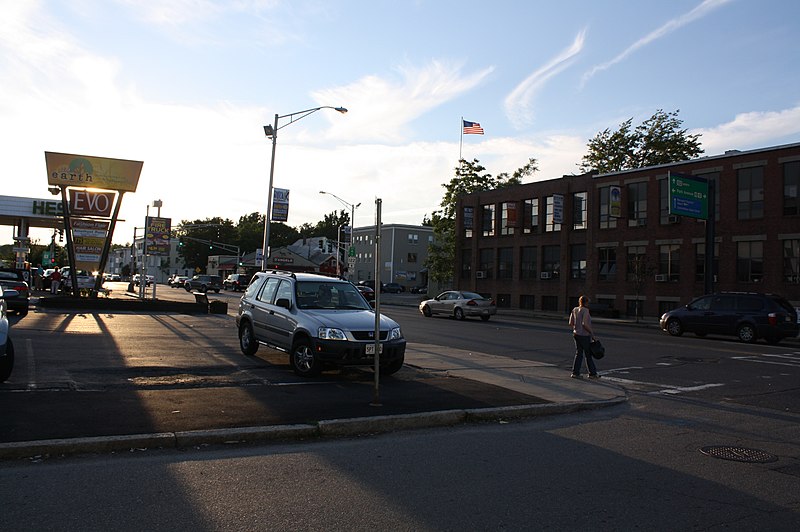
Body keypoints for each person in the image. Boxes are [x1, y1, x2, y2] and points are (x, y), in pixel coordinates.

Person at [568, 295, 600, 379]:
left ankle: (575, 372)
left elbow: (570, 323)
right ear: (586, 302)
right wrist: (592, 334)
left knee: (579, 353)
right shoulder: (585, 310)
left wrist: (576, 328)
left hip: (576, 334)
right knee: (588, 354)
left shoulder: (574, 309)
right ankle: (592, 373)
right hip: (584, 335)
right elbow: (584, 324)